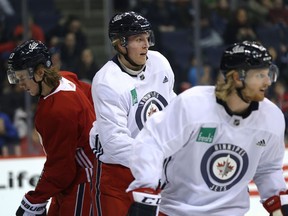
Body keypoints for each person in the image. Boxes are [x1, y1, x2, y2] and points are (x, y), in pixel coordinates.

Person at [126, 41, 288, 216]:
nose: (268, 82)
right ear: (236, 77)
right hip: (177, 210)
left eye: (269, 74)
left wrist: (277, 205)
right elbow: (152, 142)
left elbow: (268, 168)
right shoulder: (192, 105)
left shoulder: (271, 117)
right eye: (259, 75)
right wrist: (146, 190)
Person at [89, 11, 176, 216]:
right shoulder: (107, 81)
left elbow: (173, 108)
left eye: (147, 38)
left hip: (157, 169)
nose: (146, 44)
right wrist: (156, 159)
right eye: (139, 39)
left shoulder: (159, 62)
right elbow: (115, 142)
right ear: (120, 45)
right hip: (118, 173)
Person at [7, 39, 96, 216]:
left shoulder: (58, 110)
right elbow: (92, 95)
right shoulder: (65, 78)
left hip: (83, 182)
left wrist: (35, 199)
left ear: (39, 73)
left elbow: (62, 168)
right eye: (16, 78)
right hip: (78, 177)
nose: (20, 84)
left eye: (23, 78)